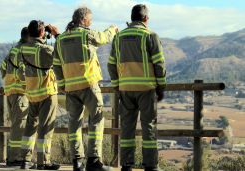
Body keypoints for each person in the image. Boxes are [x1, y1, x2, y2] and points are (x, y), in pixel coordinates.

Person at [53, 6, 118, 171]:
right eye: (90, 19)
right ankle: (93, 160)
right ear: (83, 20)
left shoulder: (60, 40)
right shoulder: (86, 34)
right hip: (88, 85)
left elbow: (57, 65)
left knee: (74, 123)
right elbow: (103, 37)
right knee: (97, 119)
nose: (91, 22)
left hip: (70, 88)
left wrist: (62, 85)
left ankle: (77, 161)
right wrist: (113, 29)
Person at [107, 4, 166, 171]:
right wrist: (161, 87)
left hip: (125, 89)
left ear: (132, 18)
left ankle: (126, 164)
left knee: (127, 128)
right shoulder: (150, 35)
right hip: (146, 89)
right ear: (146, 18)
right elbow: (159, 64)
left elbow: (111, 65)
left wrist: (117, 86)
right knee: (148, 127)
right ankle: (151, 165)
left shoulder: (118, 37)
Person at [19, 20, 61, 170]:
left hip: (31, 93)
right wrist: (57, 35)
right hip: (46, 92)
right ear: (42, 32)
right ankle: (43, 162)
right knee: (45, 128)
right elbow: (62, 54)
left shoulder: (23, 49)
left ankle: (25, 160)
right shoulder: (45, 50)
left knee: (30, 127)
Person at [0, 27, 29, 167]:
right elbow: (24, 72)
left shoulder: (13, 50)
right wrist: (29, 86)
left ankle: (12, 156)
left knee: (15, 126)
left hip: (10, 93)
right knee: (20, 127)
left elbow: (2, 69)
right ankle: (14, 158)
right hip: (20, 94)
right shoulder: (24, 51)